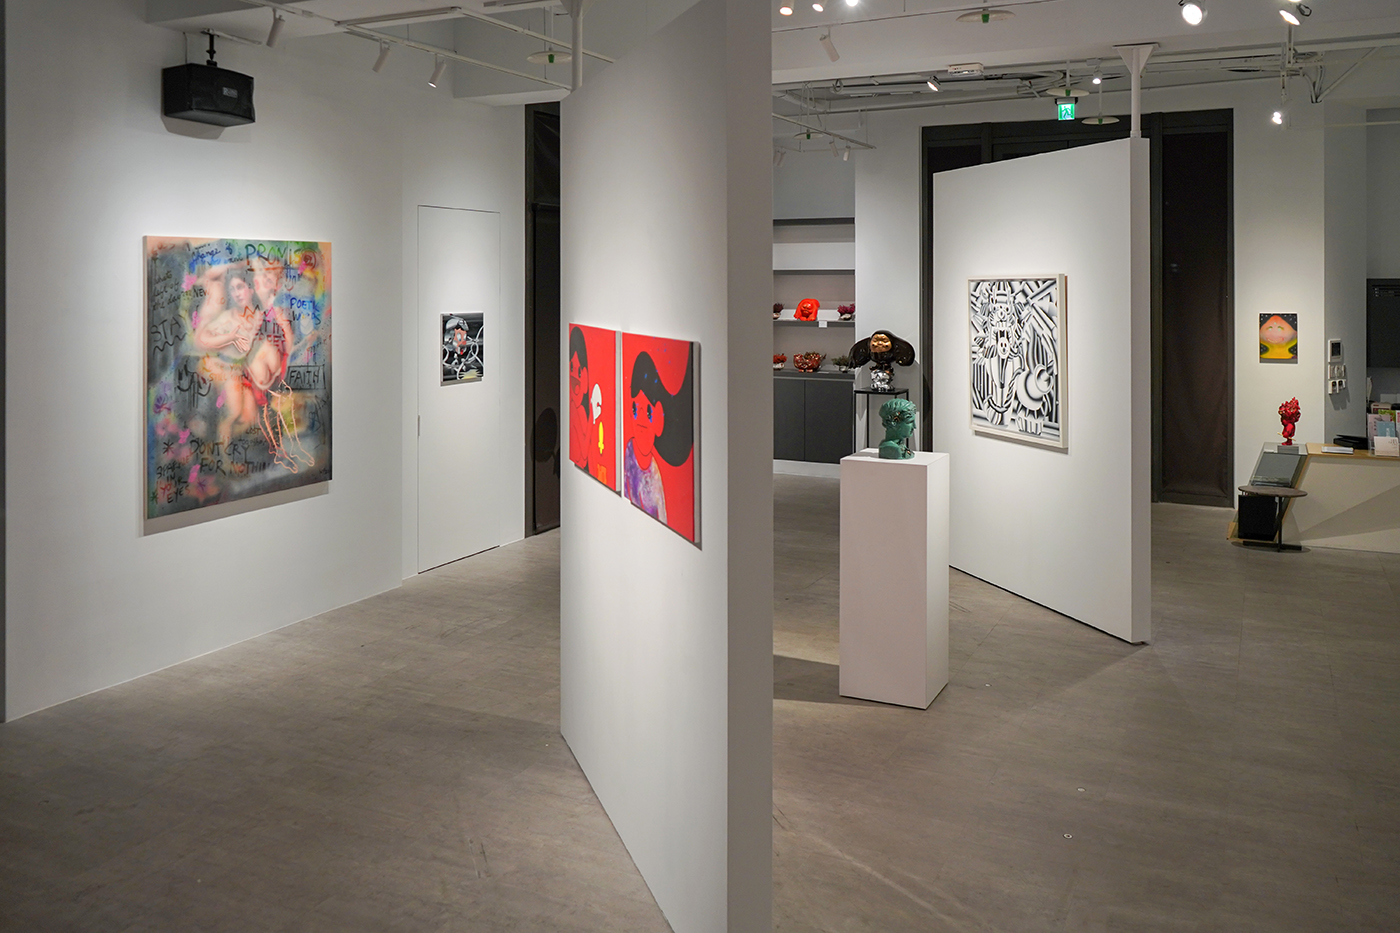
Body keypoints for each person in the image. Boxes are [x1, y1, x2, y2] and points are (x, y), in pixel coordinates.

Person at [624, 346, 694, 523]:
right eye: (635, 409)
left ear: (659, 422)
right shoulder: (629, 453)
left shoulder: (654, 479)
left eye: (648, 412)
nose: (640, 420)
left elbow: (662, 517)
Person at [568, 326, 592, 472]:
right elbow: (583, 452)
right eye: (571, 368)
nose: (574, 378)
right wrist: (592, 417)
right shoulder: (575, 409)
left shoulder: (580, 410)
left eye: (578, 372)